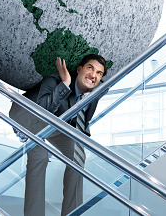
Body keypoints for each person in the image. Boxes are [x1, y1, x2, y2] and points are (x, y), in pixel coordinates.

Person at [9, 54, 108, 216]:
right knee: (40, 155)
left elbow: (84, 119)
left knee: (77, 154)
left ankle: (72, 212)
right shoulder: (55, 80)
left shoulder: (95, 90)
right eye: (90, 68)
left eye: (99, 73)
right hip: (28, 113)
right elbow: (43, 111)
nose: (94, 75)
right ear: (79, 69)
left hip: (55, 123)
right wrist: (65, 84)